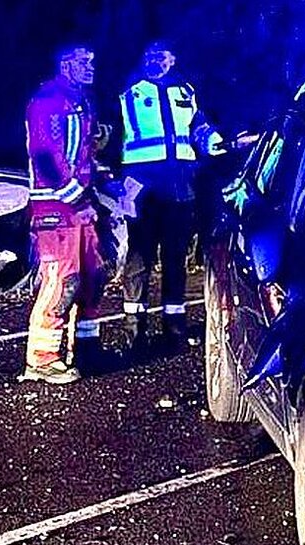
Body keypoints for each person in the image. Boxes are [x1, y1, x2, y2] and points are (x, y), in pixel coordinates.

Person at [118, 40, 240, 349]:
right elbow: (109, 132)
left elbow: (199, 126)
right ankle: (135, 330)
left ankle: (175, 326)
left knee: (176, 256)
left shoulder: (184, 90)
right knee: (139, 257)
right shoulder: (127, 90)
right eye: (150, 55)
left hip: (180, 185)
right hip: (142, 185)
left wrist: (217, 141)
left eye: (162, 56)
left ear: (173, 59)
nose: (155, 61)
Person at [18, 43, 106, 385]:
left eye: (92, 60)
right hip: (56, 207)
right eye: (84, 61)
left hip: (81, 202)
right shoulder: (48, 101)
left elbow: (80, 153)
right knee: (62, 282)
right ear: (65, 65)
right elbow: (45, 158)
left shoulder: (81, 100)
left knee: (93, 276)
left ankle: (87, 347)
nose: (91, 66)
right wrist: (76, 200)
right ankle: (41, 359)